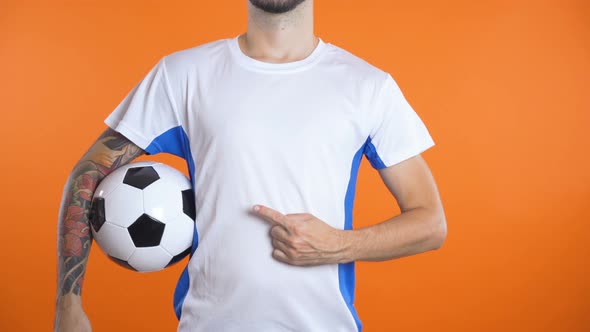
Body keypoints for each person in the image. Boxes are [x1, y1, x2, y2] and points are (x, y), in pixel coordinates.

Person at [54, 0, 447, 331]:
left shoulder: (368, 87)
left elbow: (430, 223)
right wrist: (68, 306)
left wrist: (340, 246)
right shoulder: (183, 75)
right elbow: (89, 172)